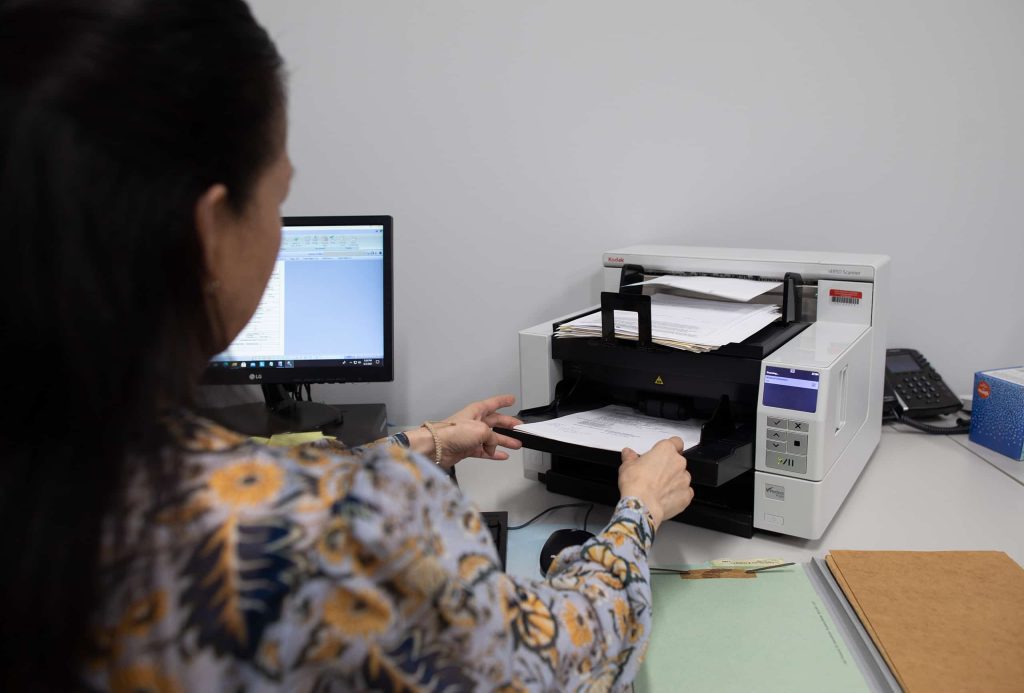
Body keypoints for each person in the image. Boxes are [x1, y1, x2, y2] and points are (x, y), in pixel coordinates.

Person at [0, 1, 694, 691]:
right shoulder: (353, 531)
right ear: (205, 235)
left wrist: (423, 441)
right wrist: (639, 508)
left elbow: (252, 491)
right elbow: (564, 656)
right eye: (277, 199)